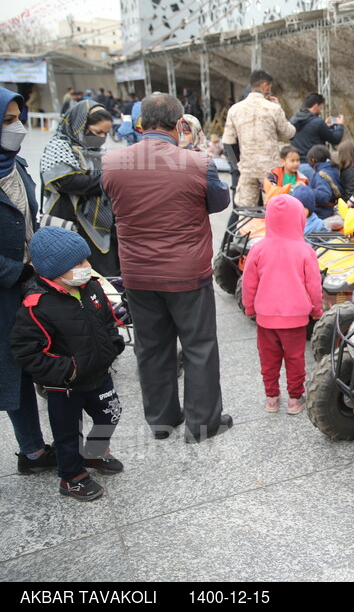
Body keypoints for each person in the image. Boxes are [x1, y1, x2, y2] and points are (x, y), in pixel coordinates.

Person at [102, 93, 233, 443]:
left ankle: (161, 420)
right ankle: (201, 424)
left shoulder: (113, 162)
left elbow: (109, 202)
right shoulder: (195, 163)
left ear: (141, 124)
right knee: (199, 345)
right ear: (179, 124)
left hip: (138, 273)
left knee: (151, 346)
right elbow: (220, 202)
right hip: (187, 272)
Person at [11, 227, 125, 501]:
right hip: (66, 386)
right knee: (67, 434)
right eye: (78, 264)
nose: (87, 267)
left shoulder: (92, 287)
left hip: (99, 373)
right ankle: (71, 477)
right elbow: (25, 350)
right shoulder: (36, 305)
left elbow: (107, 320)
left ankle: (94, 452)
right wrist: (67, 370)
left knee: (111, 414)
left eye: (86, 260)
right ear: (54, 270)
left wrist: (113, 344)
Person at [0, 87, 57, 475]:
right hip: (6, 287)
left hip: (28, 281)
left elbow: (29, 221)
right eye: (7, 121)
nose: (17, 127)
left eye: (18, 117)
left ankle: (44, 446)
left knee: (35, 360)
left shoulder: (14, 166)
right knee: (12, 369)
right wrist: (14, 270)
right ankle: (32, 451)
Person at [242, 194, 324, 415]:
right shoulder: (305, 250)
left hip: (265, 318)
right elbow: (314, 285)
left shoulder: (258, 248)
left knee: (268, 359)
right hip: (296, 319)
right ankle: (294, 400)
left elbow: (249, 283)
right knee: (295, 359)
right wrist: (317, 308)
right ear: (299, 219)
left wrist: (249, 307)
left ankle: (271, 399)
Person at [40, 101, 120, 276]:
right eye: (98, 132)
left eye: (105, 133)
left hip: (101, 222)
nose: (101, 137)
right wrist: (108, 179)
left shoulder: (98, 150)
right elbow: (67, 182)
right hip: (71, 222)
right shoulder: (59, 146)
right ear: (80, 126)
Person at [222, 70, 296, 208]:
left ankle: (244, 230)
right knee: (272, 208)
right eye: (270, 87)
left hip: (247, 169)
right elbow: (289, 133)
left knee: (245, 210)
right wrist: (279, 108)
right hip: (270, 170)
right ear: (265, 85)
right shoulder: (273, 109)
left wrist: (238, 166)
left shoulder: (235, 109)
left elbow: (228, 142)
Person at [290, 92, 344, 156]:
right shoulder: (318, 122)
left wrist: (324, 125)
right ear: (316, 106)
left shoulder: (293, 120)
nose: (321, 111)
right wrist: (340, 125)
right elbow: (335, 139)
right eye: (320, 107)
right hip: (314, 161)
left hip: (297, 161)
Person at [301, 145, 341, 222]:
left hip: (322, 212)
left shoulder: (321, 175)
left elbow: (324, 196)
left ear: (313, 160)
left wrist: (307, 191)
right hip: (329, 209)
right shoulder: (333, 169)